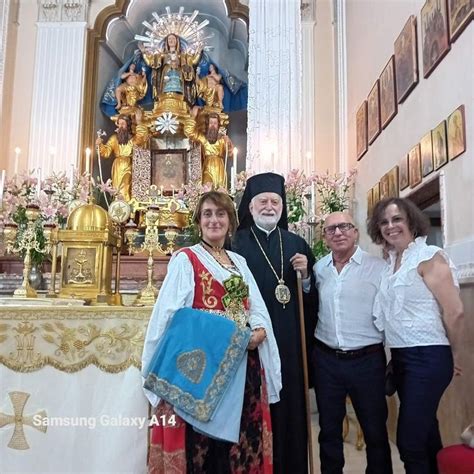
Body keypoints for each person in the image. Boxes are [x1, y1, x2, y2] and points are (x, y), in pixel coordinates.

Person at [142, 191, 282, 473]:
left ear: (230, 221)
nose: (214, 220)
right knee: (201, 445)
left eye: (220, 214)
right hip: (202, 368)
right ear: (198, 222)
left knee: (239, 445)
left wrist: (258, 329)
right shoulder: (186, 259)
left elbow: (254, 305)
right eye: (207, 214)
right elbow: (169, 315)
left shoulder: (239, 262)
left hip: (242, 364)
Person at [367, 197, 464, 473]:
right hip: (402, 359)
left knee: (409, 443)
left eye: (397, 219)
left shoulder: (429, 257)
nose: (390, 226)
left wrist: (453, 353)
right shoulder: (391, 263)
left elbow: (455, 311)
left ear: (411, 220)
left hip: (429, 356)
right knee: (426, 432)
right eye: (384, 221)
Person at [232, 172, 318, 474]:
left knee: (290, 411)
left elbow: (313, 300)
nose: (269, 206)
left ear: (282, 206)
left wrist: (306, 277)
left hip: (289, 343)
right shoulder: (235, 244)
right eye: (263, 201)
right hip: (252, 344)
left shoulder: (296, 244)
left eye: (275, 202)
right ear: (251, 206)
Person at [308, 211, 392, 473]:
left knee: (376, 432)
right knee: (329, 432)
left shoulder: (378, 268)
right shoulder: (319, 269)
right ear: (324, 237)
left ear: (355, 232)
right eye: (331, 229)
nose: (338, 232)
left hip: (367, 361)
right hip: (327, 361)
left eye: (344, 227)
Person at [96, 112, 148, 202]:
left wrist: (139, 122)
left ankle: (126, 210)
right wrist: (100, 144)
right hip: (117, 167)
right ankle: (117, 210)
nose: (121, 126)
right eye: (119, 123)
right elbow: (106, 152)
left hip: (129, 165)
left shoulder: (132, 139)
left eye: (123, 123)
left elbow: (141, 138)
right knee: (117, 189)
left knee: (125, 186)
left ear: (128, 125)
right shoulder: (114, 139)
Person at [141, 33, 200, 106]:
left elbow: (193, 62)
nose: (171, 40)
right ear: (167, 42)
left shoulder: (182, 55)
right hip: (167, 72)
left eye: (173, 39)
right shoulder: (162, 55)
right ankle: (165, 98)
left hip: (178, 72)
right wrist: (144, 52)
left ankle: (179, 98)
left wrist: (199, 52)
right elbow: (151, 62)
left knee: (178, 87)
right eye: (169, 39)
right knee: (166, 86)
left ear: (177, 41)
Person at [184, 113, 232, 189]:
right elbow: (189, 131)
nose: (213, 125)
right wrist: (193, 116)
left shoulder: (223, 139)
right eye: (211, 123)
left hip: (220, 168)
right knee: (207, 188)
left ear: (218, 125)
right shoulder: (202, 138)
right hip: (207, 167)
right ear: (207, 124)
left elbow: (230, 154)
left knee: (220, 191)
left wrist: (228, 143)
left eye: (215, 123)